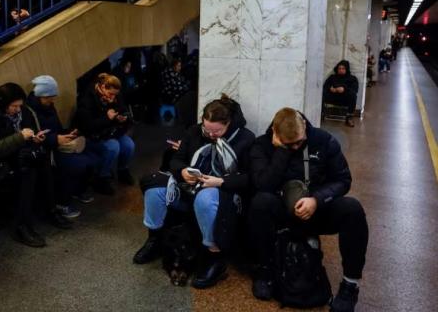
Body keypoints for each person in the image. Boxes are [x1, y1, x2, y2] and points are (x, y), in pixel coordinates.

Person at [248, 107, 368, 312]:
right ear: (276, 134)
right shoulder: (262, 145)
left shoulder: (323, 140)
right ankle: (265, 271)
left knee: (353, 209)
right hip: (282, 210)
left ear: (304, 125)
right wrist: (281, 152)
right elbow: (262, 184)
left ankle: (350, 285)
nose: (296, 145)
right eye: (290, 143)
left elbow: (343, 180)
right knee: (260, 202)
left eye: (300, 141)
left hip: (316, 208)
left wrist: (317, 200)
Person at [134, 95, 254, 288]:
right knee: (155, 190)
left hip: (222, 191)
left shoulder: (245, 138)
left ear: (228, 124)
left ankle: (213, 255)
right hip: (190, 186)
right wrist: (182, 171)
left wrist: (221, 181)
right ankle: (155, 237)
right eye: (207, 129)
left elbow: (249, 177)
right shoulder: (194, 131)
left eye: (217, 131)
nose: (211, 135)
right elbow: (177, 160)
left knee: (205, 198)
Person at [0, 83, 72, 247]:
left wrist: (34, 138)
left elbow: (17, 137)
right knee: (26, 172)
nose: (18, 110)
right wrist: (20, 137)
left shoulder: (20, 112)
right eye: (14, 106)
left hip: (9, 154)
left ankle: (50, 209)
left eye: (19, 106)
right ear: (3, 104)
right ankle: (20, 226)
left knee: (42, 160)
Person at [26, 76, 97, 214]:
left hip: (56, 143)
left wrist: (69, 133)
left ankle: (77, 190)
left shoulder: (48, 106)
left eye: (53, 97)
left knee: (90, 158)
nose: (52, 100)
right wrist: (55, 139)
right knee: (77, 164)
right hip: (46, 150)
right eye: (49, 97)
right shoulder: (30, 112)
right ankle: (62, 203)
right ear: (41, 96)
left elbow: (57, 128)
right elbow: (34, 136)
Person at [74, 73, 134, 195]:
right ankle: (101, 178)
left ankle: (123, 170)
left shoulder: (114, 95)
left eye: (115, 95)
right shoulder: (86, 100)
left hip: (110, 131)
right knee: (113, 147)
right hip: (92, 136)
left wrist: (123, 117)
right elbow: (88, 127)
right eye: (110, 94)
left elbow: (123, 109)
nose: (113, 97)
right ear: (102, 87)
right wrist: (107, 118)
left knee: (129, 145)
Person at [322, 60, 359, 127]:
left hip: (345, 99)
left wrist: (344, 89)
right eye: (339, 68)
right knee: (322, 93)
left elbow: (355, 90)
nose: (341, 70)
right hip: (333, 97)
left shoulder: (352, 79)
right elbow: (325, 86)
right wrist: (330, 88)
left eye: (343, 68)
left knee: (353, 95)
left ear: (346, 69)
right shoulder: (332, 77)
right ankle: (321, 114)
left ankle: (349, 118)